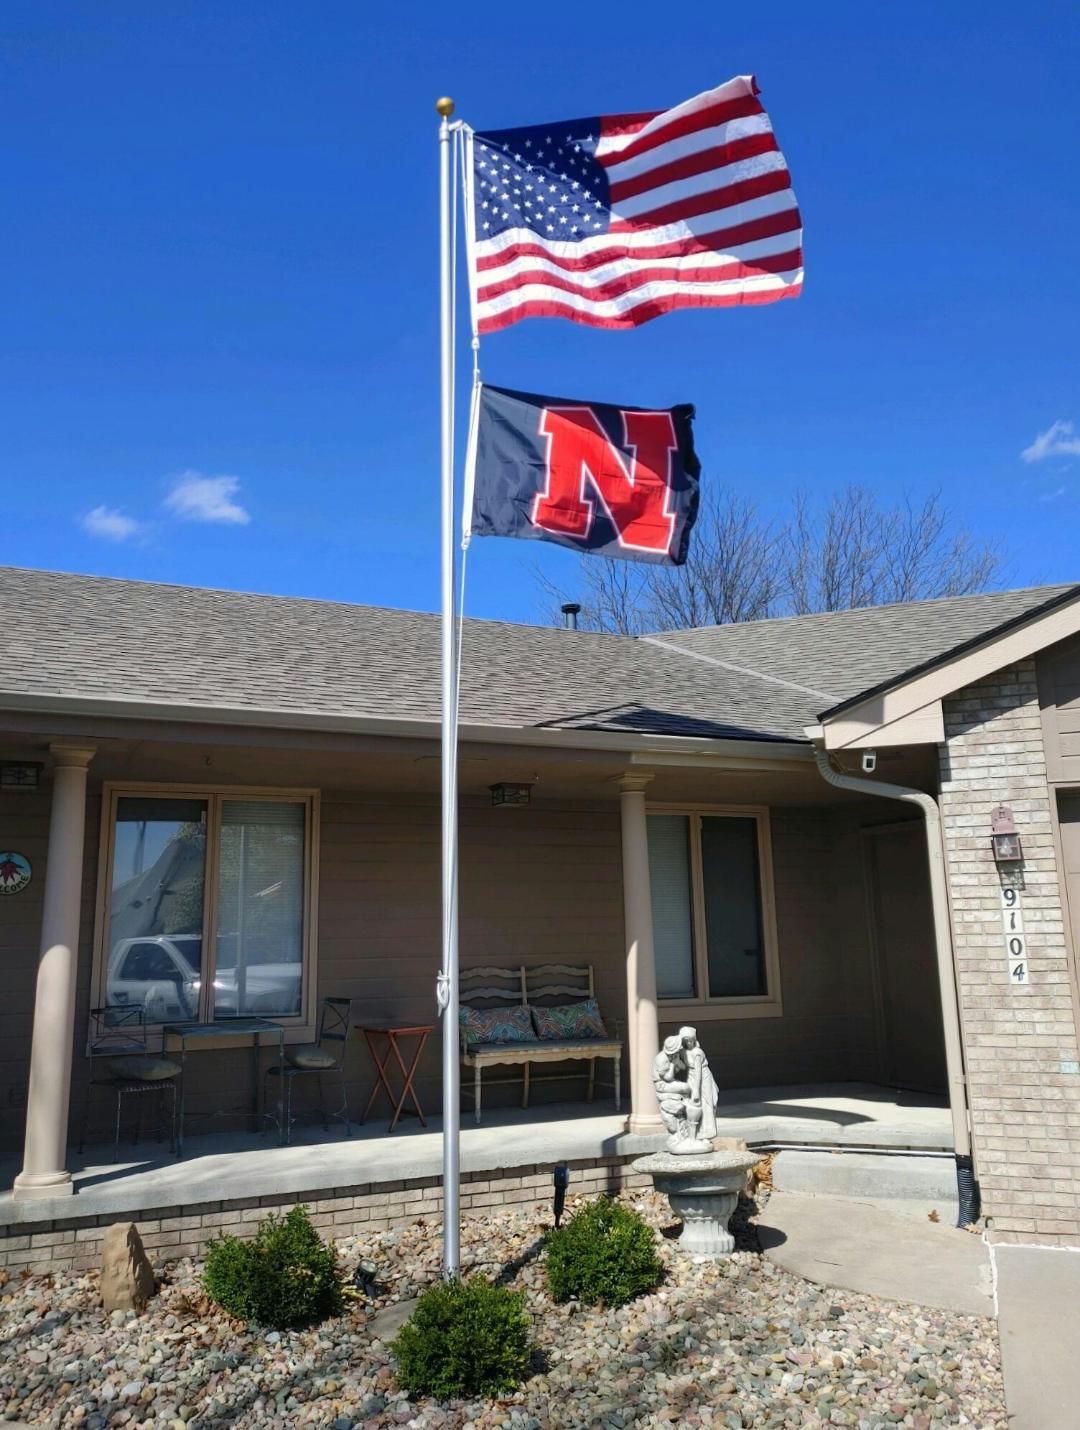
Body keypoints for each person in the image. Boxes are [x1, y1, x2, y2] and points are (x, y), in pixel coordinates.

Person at [680, 1026, 719, 1143]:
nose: (689, 1043)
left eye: (691, 1040)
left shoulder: (697, 1052)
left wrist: (696, 1090)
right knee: (693, 1104)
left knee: (706, 1104)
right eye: (686, 1040)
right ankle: (694, 1132)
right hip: (692, 1077)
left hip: (703, 1077)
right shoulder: (683, 1052)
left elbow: (698, 1073)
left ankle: (706, 1132)